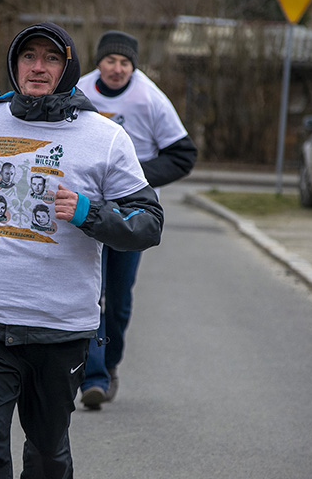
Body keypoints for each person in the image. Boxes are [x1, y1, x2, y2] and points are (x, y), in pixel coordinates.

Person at [0, 22, 164, 479]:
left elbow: (148, 223)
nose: (38, 67)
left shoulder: (104, 137)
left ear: (69, 67)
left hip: (60, 327)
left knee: (47, 455)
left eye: (51, 58)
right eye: (28, 56)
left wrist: (90, 212)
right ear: (14, 63)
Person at [75, 30, 198, 409]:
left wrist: (133, 175)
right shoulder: (79, 93)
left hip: (133, 214)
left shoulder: (149, 98)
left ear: (134, 67)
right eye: (110, 61)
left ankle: (109, 364)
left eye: (125, 63)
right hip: (88, 212)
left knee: (119, 300)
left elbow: (182, 155)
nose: (117, 69)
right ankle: (92, 377)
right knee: (88, 295)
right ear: (98, 63)